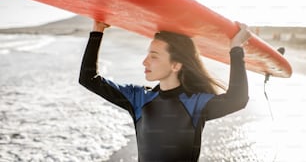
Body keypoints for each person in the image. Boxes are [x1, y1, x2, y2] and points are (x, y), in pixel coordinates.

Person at [79, 20, 251, 162]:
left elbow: (238, 99)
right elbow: (88, 78)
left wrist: (236, 48)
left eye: (154, 56)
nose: (144, 62)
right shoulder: (138, 98)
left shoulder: (195, 104)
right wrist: (97, 30)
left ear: (176, 65)